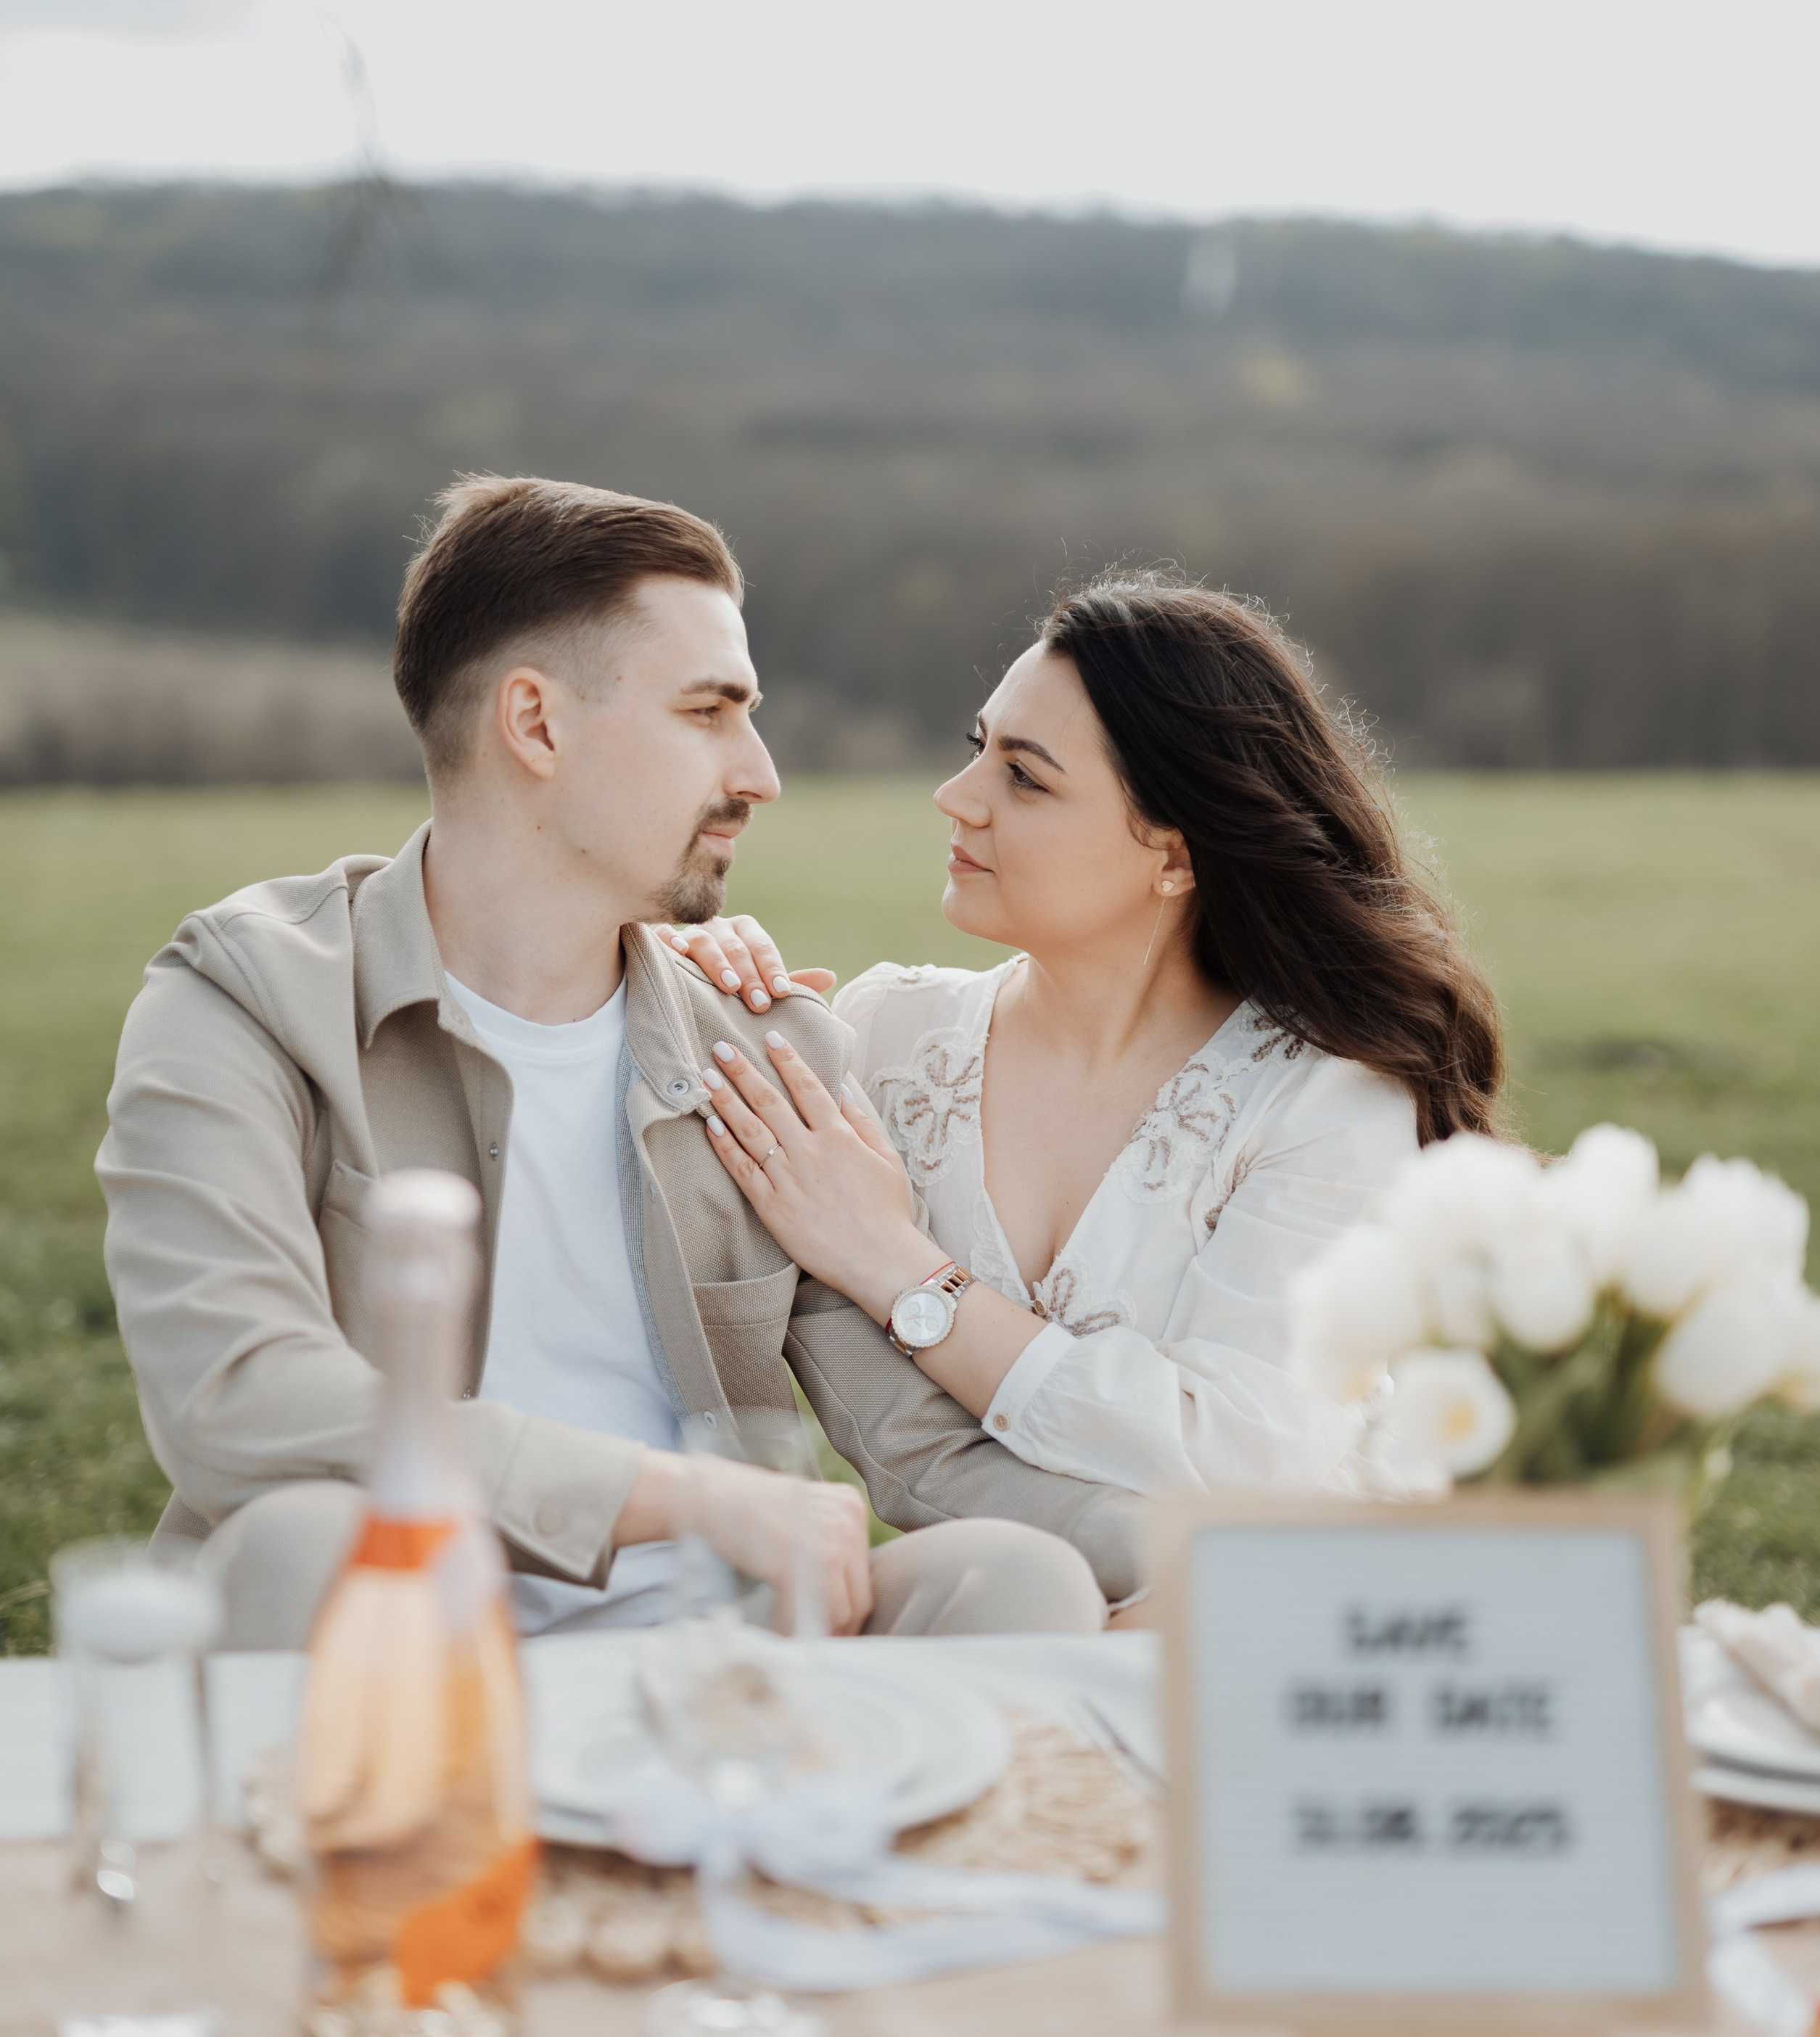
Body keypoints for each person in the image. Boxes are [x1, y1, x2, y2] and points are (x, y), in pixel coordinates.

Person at [97, 476, 1137, 1648]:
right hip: (393, 1652)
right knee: (298, 1548)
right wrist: (683, 1496)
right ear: (536, 724)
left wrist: (1219, 1557)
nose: (760, 772)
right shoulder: (248, 1003)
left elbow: (923, 1449)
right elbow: (235, 1398)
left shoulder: (768, 1047)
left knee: (1020, 1579)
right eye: (709, 713)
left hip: (728, 1655)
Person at [662, 575, 1504, 1515]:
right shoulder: (884, 1036)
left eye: (1025, 776)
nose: (956, 797)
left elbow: (1254, 1460)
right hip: (1003, 1625)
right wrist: (698, 978)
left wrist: (895, 1265)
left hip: (1281, 1628)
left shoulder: (1323, 1102)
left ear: (1178, 854)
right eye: (977, 750)